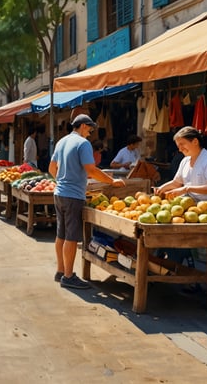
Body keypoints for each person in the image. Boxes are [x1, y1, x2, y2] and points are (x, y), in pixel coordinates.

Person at [49, 114, 125, 289]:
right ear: (83, 126)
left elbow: (52, 168)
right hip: (73, 196)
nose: (90, 133)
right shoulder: (83, 144)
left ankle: (60, 271)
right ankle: (68, 276)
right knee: (71, 237)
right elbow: (91, 169)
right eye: (90, 129)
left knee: (61, 234)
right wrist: (111, 181)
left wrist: (62, 181)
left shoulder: (62, 141)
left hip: (59, 193)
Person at [155, 126, 207, 211]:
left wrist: (187, 189)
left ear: (195, 141)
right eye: (178, 146)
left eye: (182, 144)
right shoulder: (185, 160)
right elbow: (176, 183)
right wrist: (161, 188)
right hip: (193, 206)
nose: (180, 149)